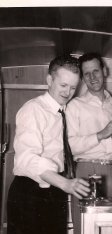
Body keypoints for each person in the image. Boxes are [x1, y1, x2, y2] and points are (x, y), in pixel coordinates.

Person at [7, 55, 90, 234]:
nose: (68, 92)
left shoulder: (64, 111)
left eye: (73, 87)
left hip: (55, 191)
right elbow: (27, 159)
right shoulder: (34, 109)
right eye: (63, 85)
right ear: (49, 80)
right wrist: (65, 183)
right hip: (30, 193)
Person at [66, 52, 112, 234]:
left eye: (96, 71)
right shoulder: (74, 106)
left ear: (104, 71)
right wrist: (102, 133)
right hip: (86, 171)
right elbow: (69, 146)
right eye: (87, 74)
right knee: (87, 228)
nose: (92, 77)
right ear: (82, 77)